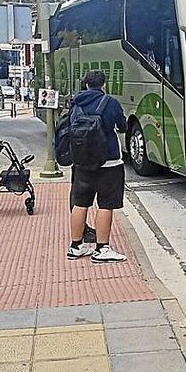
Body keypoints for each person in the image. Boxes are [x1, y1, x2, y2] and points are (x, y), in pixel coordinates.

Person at [66, 70, 128, 263]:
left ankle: (76, 246)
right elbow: (123, 126)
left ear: (85, 85)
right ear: (103, 85)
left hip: (82, 162)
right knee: (106, 204)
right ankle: (102, 249)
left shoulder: (75, 104)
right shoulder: (110, 103)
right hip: (109, 161)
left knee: (80, 203)